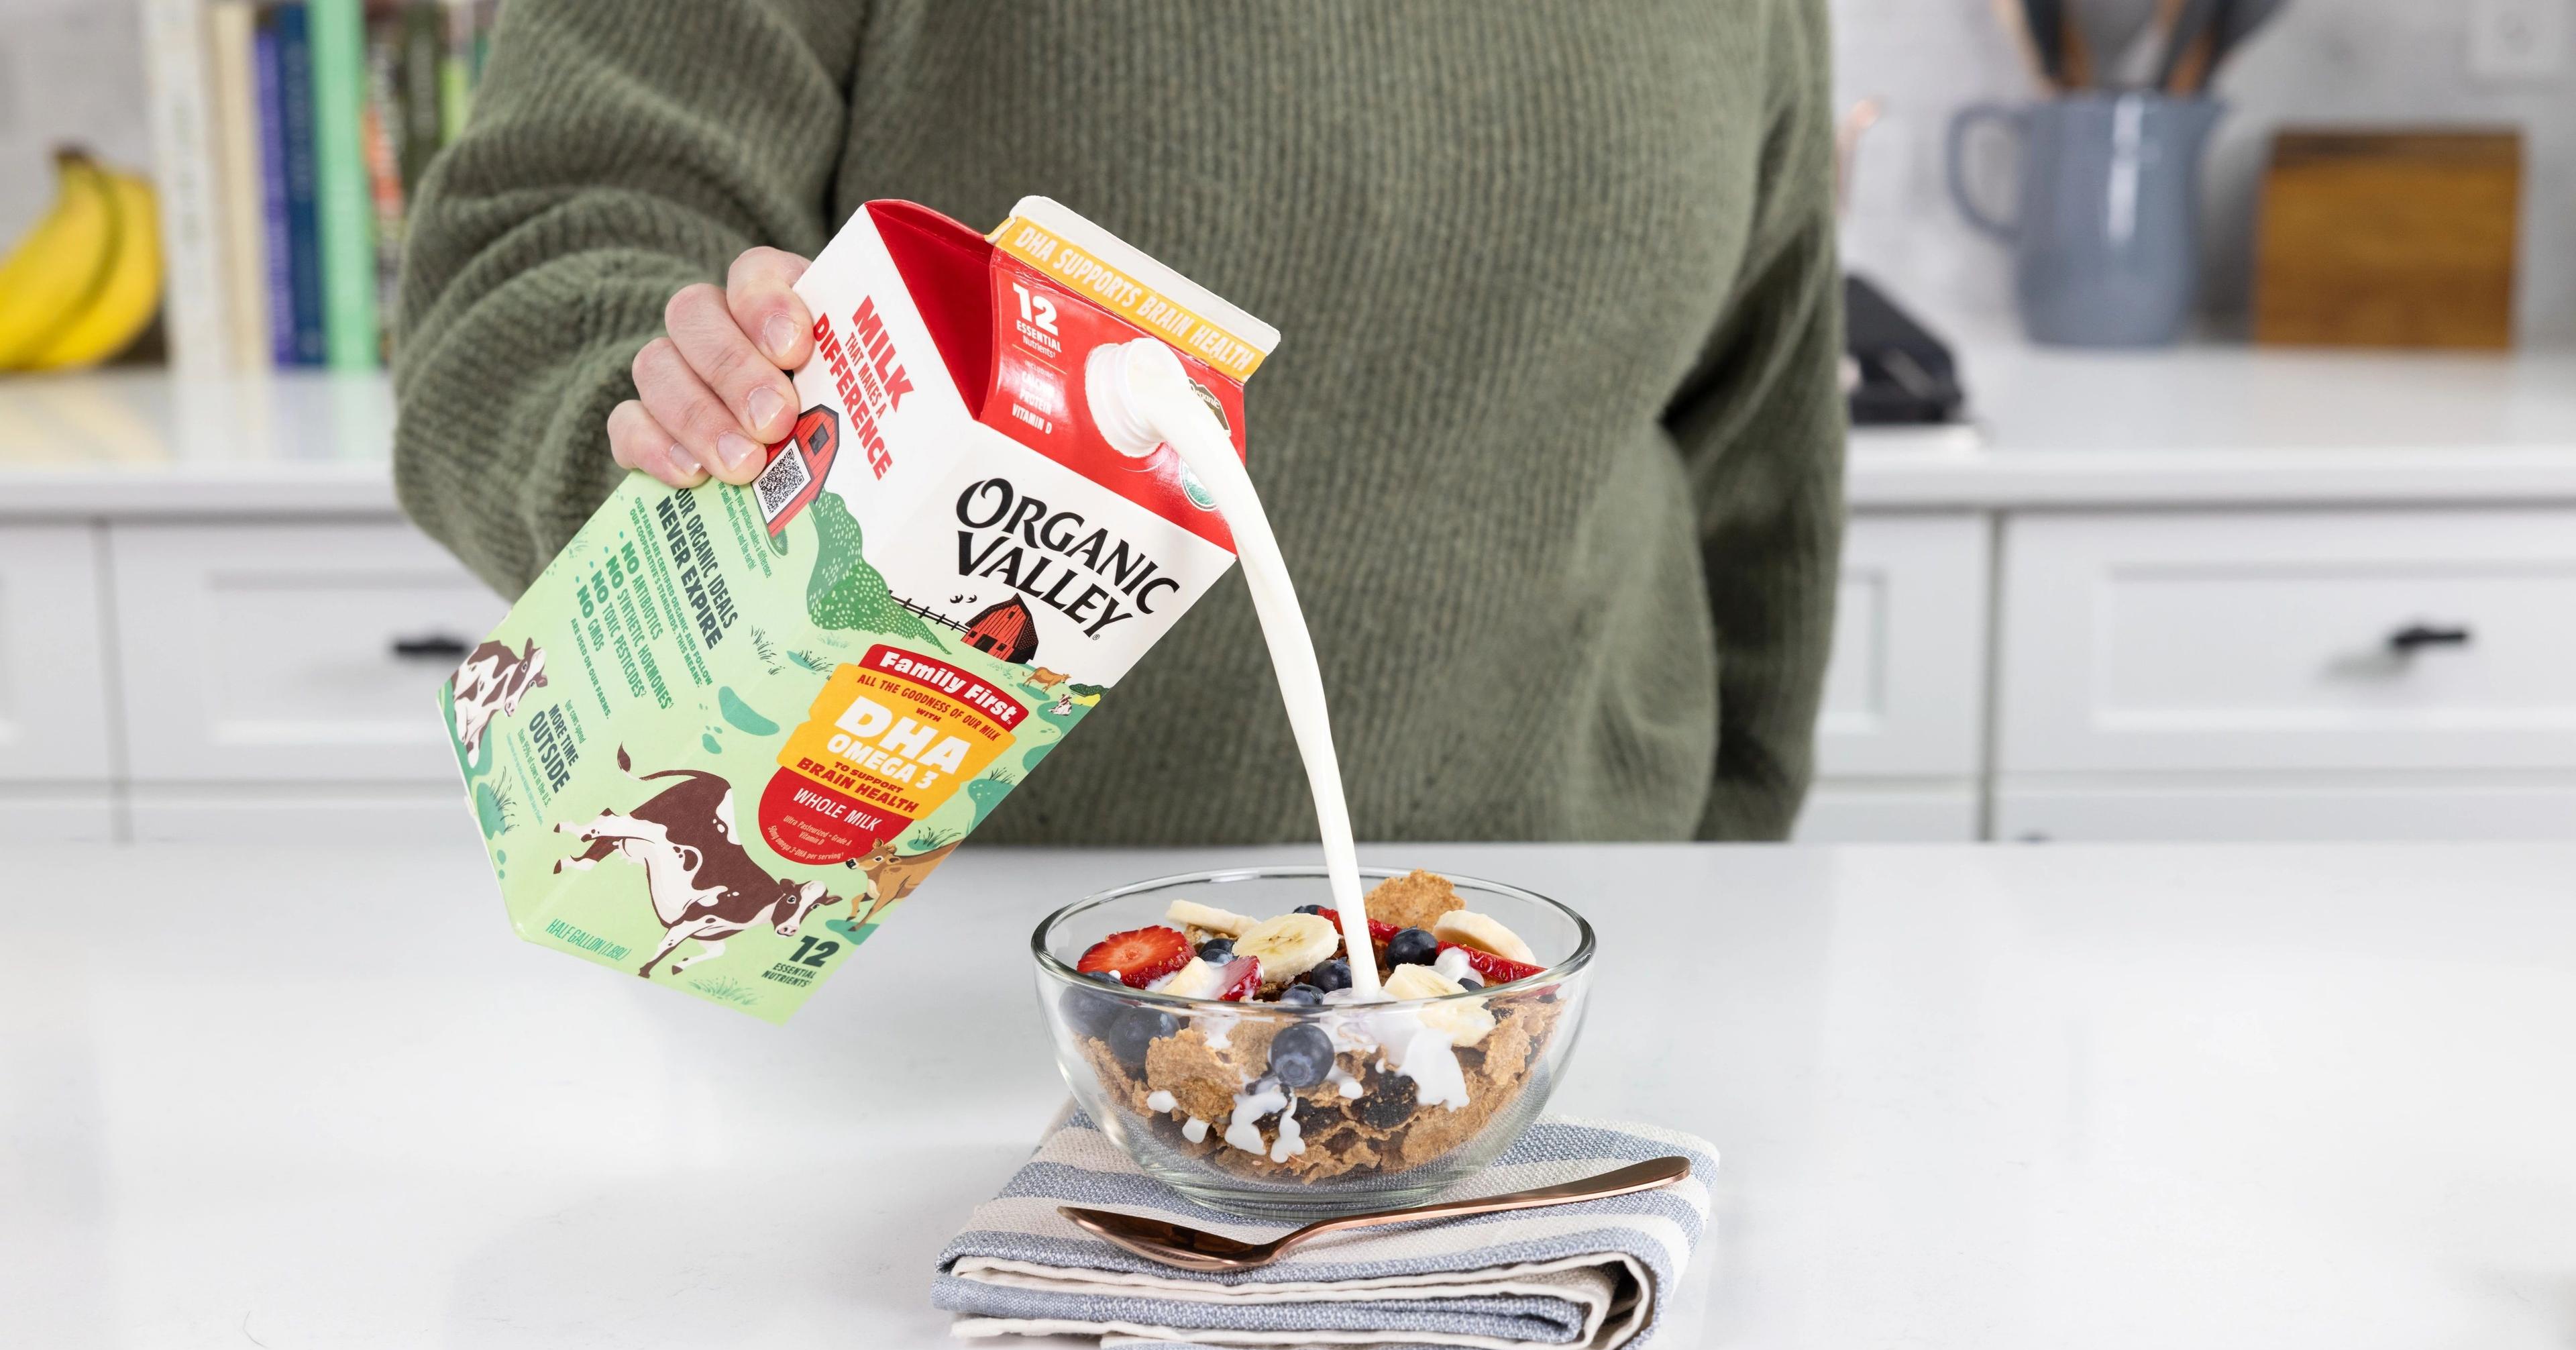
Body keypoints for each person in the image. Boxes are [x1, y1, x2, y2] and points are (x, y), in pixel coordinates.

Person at [394, 1, 1845, 845]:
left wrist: (1729, 895)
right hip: (939, 1026)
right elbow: (542, 255)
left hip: (1564, 991)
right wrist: (685, 404)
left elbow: (1758, 431)